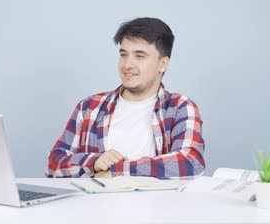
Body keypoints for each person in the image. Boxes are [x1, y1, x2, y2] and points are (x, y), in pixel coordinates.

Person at [46, 17, 205, 179]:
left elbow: (190, 162)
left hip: (156, 204)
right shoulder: (89, 107)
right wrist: (93, 161)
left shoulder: (180, 107)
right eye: (123, 54)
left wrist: (118, 171)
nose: (127, 64)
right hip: (95, 203)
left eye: (139, 56)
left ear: (162, 64)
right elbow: (54, 165)